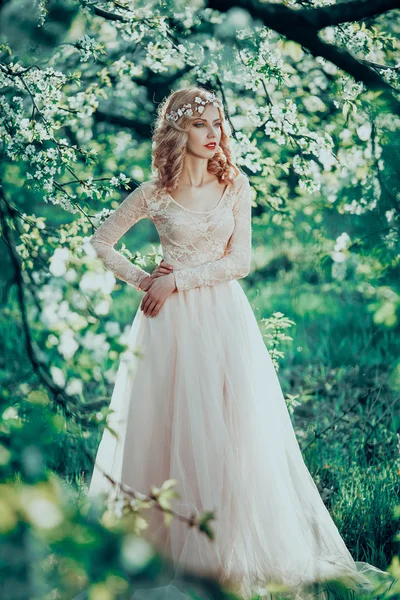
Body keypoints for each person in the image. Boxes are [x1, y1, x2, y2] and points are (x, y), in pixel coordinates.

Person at [87, 86, 393, 600]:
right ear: (177, 132)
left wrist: (177, 280)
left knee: (231, 434)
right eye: (202, 124)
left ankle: (230, 557)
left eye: (218, 123)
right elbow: (100, 242)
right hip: (168, 328)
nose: (215, 134)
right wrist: (146, 280)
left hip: (224, 320)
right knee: (167, 430)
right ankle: (166, 552)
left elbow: (240, 262)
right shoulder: (153, 193)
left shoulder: (234, 184)